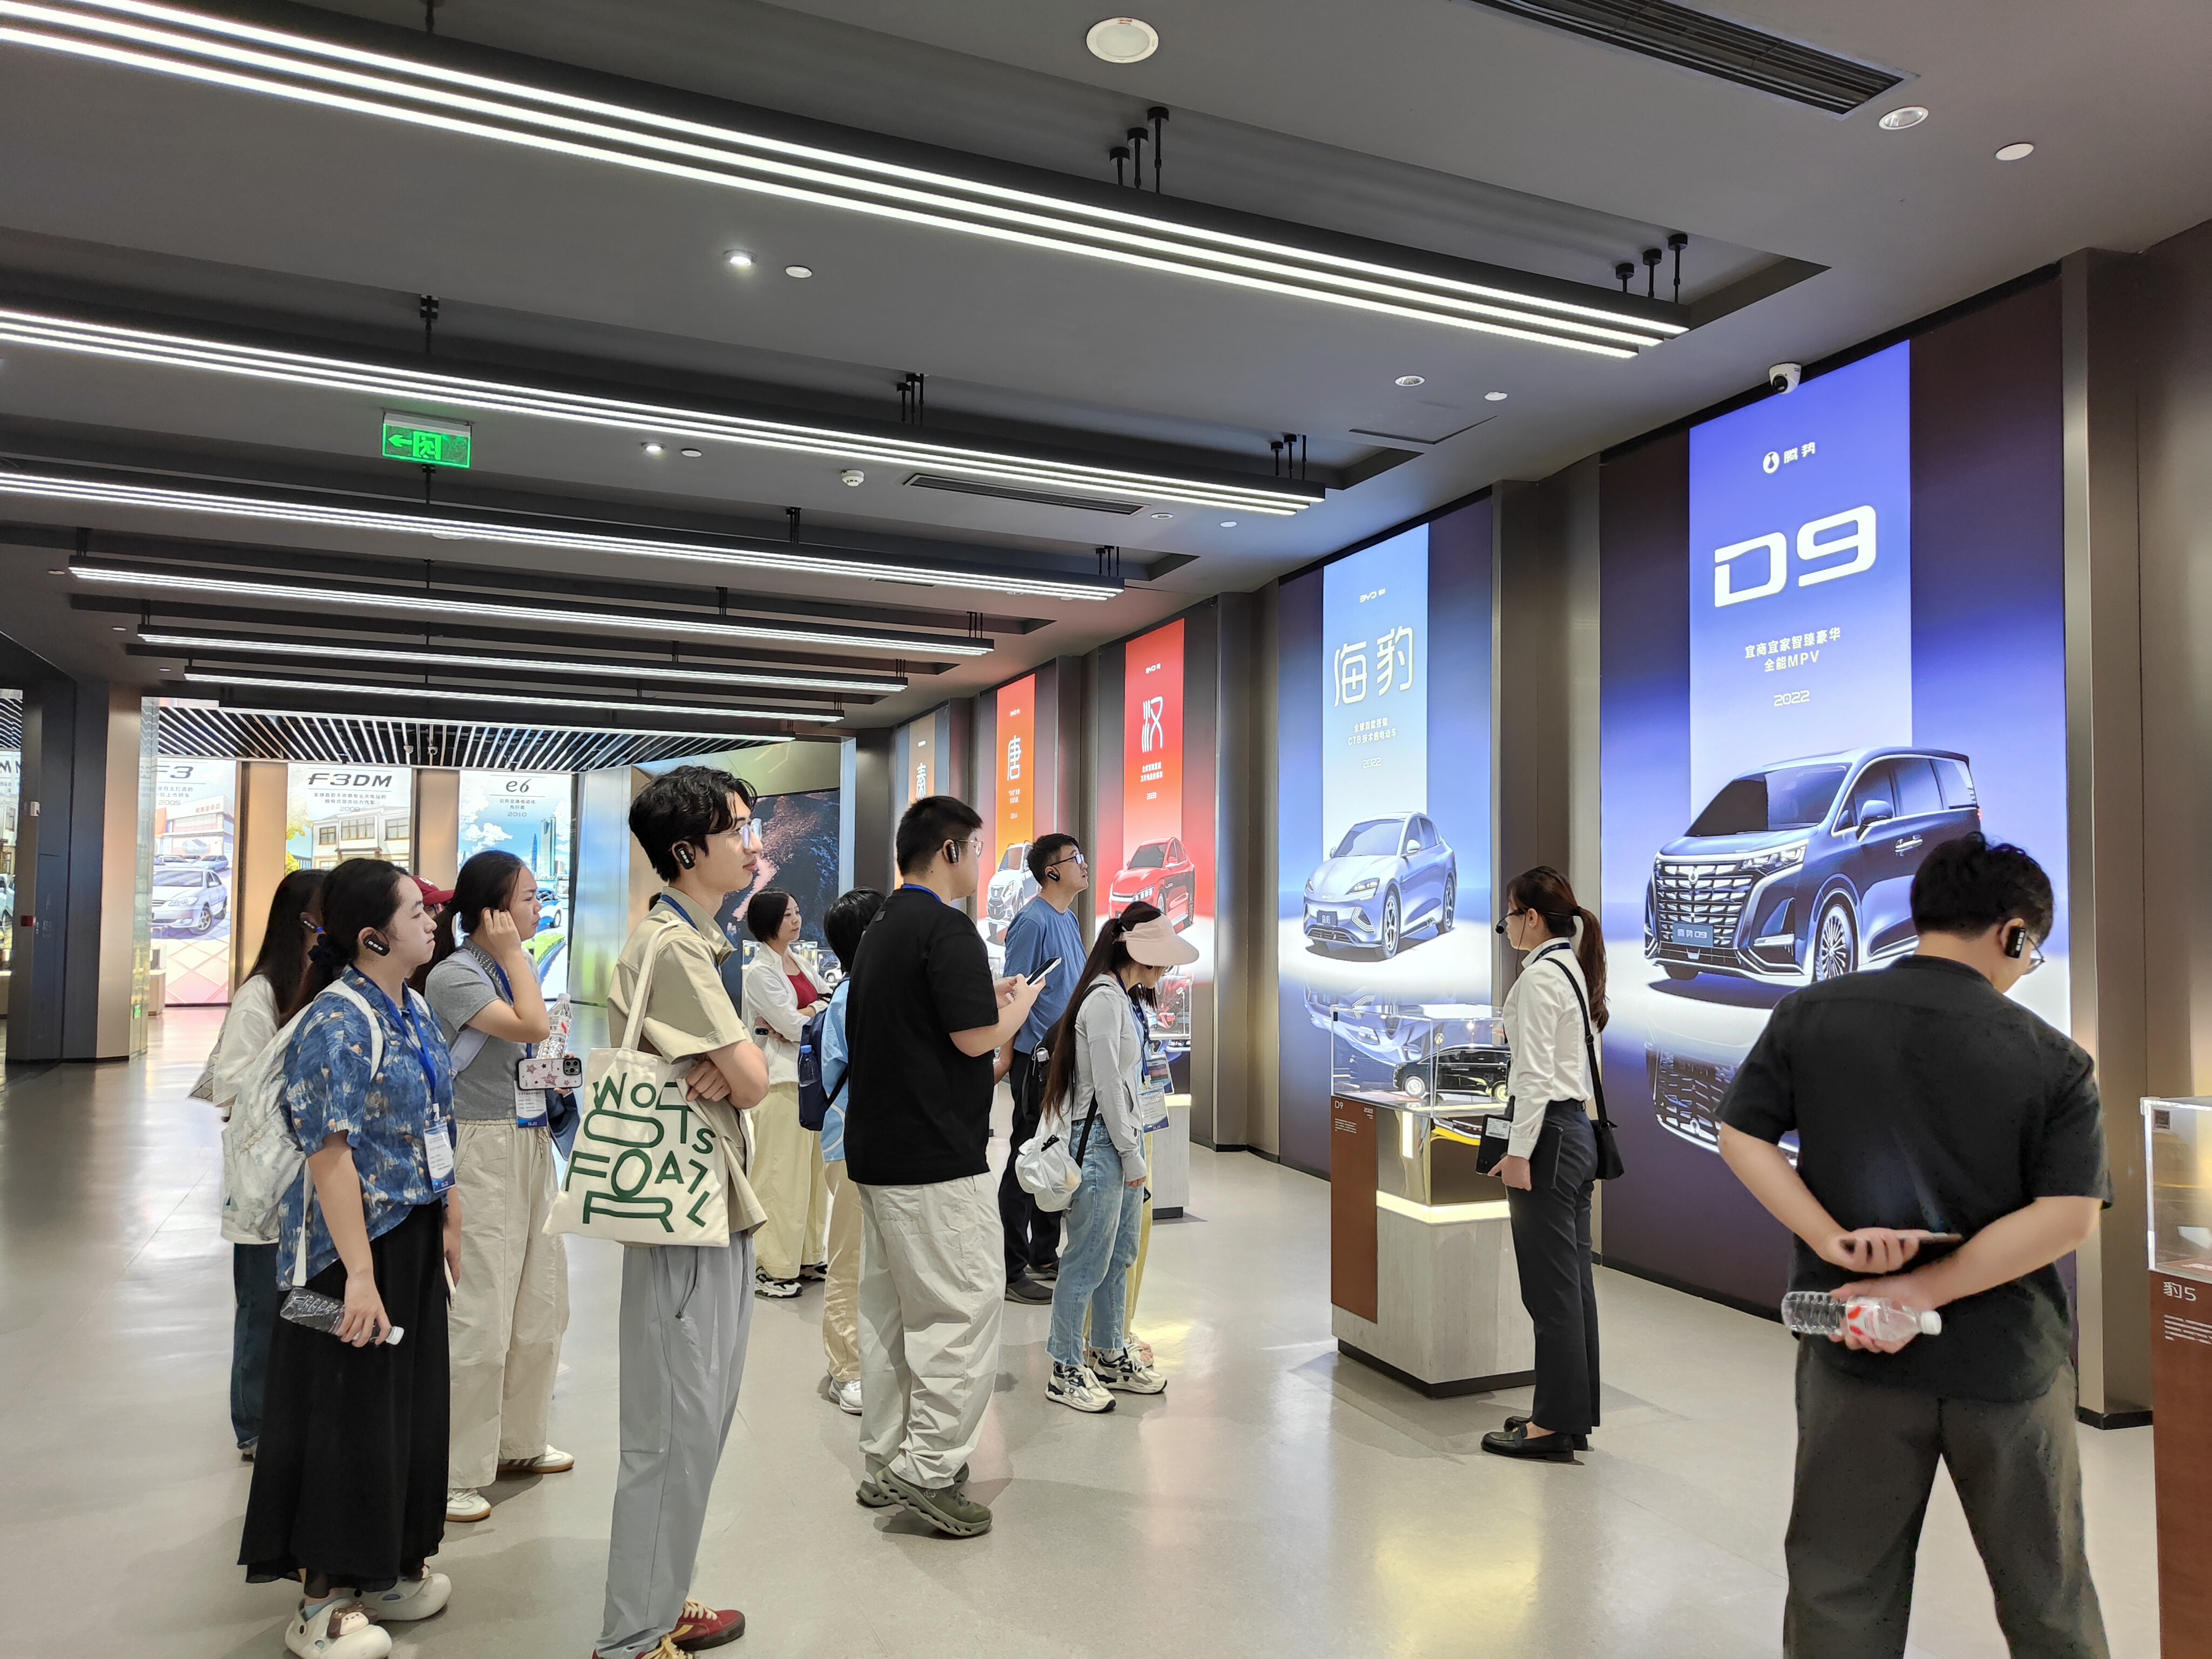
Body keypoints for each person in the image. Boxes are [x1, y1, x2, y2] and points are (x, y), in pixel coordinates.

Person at [1717, 833, 2110, 1659]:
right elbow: (2069, 1218)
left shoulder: (1811, 1016)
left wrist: (1829, 1238)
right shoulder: (2055, 1061)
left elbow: (1741, 1136)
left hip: (1852, 1349)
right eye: (2030, 951)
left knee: (1840, 1591)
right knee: (2047, 1598)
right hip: (2007, 1363)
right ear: (2012, 934)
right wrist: (1925, 1291)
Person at [238, 860, 457, 1659]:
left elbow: (435, 1118)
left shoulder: (414, 1007)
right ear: (373, 936)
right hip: (341, 1255)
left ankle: (389, 1566)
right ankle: (320, 1602)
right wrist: (360, 1277)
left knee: (404, 1408)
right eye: (416, 911)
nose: (432, 921)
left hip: (411, 1235)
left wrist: (450, 1212)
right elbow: (329, 1153)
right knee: (339, 1413)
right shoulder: (337, 1020)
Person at [594, 766, 772, 1659]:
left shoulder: (695, 941)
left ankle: (659, 1600)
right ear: (686, 850)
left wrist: (729, 1068)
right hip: (686, 1215)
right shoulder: (673, 947)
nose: (753, 843)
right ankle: (631, 1635)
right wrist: (733, 1069)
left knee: (693, 1421)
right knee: (673, 1427)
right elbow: (755, 1079)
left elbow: (738, 1074)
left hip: (709, 1206)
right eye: (737, 828)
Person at [844, 795, 1044, 1538]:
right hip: (933, 1158)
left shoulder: (883, 926)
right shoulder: (948, 928)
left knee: (891, 1315)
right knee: (961, 1308)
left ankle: (886, 1458)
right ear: (951, 851)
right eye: (977, 848)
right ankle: (929, 1469)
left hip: (878, 1152)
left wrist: (985, 999)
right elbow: (972, 1040)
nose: (982, 862)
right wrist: (1018, 1008)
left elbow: (924, 1019)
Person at [424, 850, 572, 1527]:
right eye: (527, 899)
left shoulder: (515, 969)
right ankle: (455, 1469)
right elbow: (531, 1027)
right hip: (480, 1146)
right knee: (480, 1308)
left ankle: (519, 1440)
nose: (538, 909)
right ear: (490, 911)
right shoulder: (456, 974)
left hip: (531, 1139)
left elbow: (540, 1046)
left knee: (542, 1299)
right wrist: (517, 957)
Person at [1040, 902, 1192, 1413]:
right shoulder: (1105, 1001)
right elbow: (1107, 1089)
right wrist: (1132, 1156)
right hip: (1102, 1147)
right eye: (1161, 957)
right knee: (1087, 1261)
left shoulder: (1120, 999)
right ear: (1141, 953)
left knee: (1119, 1255)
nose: (1165, 968)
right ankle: (1065, 1367)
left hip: (1119, 1146)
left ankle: (1109, 1352)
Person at [1481, 865, 1606, 1462]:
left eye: (1509, 914)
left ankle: (1552, 1425)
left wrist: (1517, 1153)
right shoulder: (1572, 971)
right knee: (1573, 1286)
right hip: (1576, 1134)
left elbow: (1532, 1078)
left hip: (1547, 1138)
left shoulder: (1537, 980)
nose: (1505, 925)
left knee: (1550, 1291)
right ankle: (1569, 1414)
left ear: (1531, 918)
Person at [211, 868, 325, 1462]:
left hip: (316, 1178)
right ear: (299, 924)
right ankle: (255, 1422)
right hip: (267, 1179)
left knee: (309, 1297)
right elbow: (232, 1086)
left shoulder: (329, 986)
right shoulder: (261, 994)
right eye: (322, 921)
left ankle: (302, 1409)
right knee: (263, 1300)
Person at [996, 831, 1089, 1305]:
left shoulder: (1067, 918)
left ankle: (1043, 1253)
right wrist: (1007, 1055)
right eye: (1076, 858)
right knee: (1027, 1155)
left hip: (1064, 1057)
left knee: (1056, 1151)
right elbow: (1014, 992)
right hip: (1036, 1060)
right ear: (1052, 872)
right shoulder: (1032, 922)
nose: (1084, 864)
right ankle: (1011, 1269)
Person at [741, 887, 831, 1300]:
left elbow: (828, 1002)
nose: (796, 920)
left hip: (809, 1081)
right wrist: (809, 1016)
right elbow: (794, 1028)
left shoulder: (799, 962)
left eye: (797, 912)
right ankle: (771, 1264)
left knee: (811, 1176)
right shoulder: (759, 972)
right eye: (787, 915)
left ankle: (807, 1255)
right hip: (779, 1083)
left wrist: (808, 1012)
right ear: (768, 923)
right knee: (780, 1176)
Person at [815, 887, 884, 1415]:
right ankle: (847, 1368)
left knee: (880, 1260)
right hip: (853, 1141)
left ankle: (873, 1360)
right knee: (851, 1258)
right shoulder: (851, 996)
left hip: (885, 1145)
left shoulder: (880, 990)